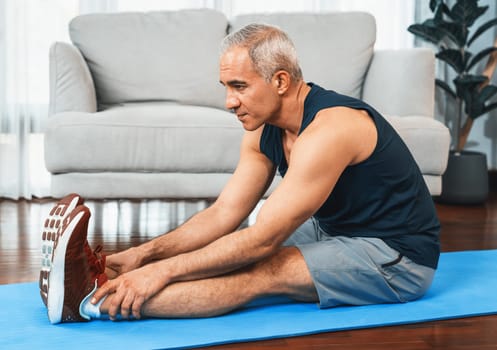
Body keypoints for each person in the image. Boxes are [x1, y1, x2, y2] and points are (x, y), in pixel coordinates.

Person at [41, 23, 440, 324]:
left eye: (239, 87)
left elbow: (262, 241)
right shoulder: (264, 127)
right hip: (335, 230)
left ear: (280, 81)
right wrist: (142, 256)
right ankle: (90, 274)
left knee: (260, 270)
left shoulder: (331, 129)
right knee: (221, 250)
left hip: (396, 256)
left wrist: (158, 273)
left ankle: (90, 303)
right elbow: (222, 215)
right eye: (225, 87)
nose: (229, 102)